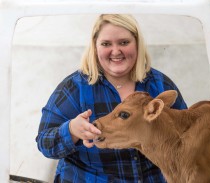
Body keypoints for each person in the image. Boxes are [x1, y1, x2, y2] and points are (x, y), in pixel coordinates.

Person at [36, 14, 187, 183]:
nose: (116, 51)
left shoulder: (160, 84)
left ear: (137, 44)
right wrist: (71, 130)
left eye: (124, 42)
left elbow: (187, 134)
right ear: (95, 47)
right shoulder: (75, 87)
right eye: (106, 44)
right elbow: (44, 143)